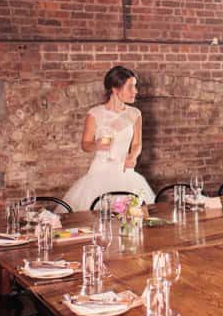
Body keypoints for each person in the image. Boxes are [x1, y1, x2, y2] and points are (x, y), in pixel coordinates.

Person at [63, 66, 156, 212]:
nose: (136, 91)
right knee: (96, 218)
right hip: (99, 173)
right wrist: (97, 145)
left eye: (135, 86)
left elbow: (137, 144)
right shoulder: (95, 114)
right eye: (130, 87)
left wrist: (133, 156)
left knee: (132, 217)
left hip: (126, 173)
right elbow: (85, 145)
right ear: (115, 89)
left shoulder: (135, 113)